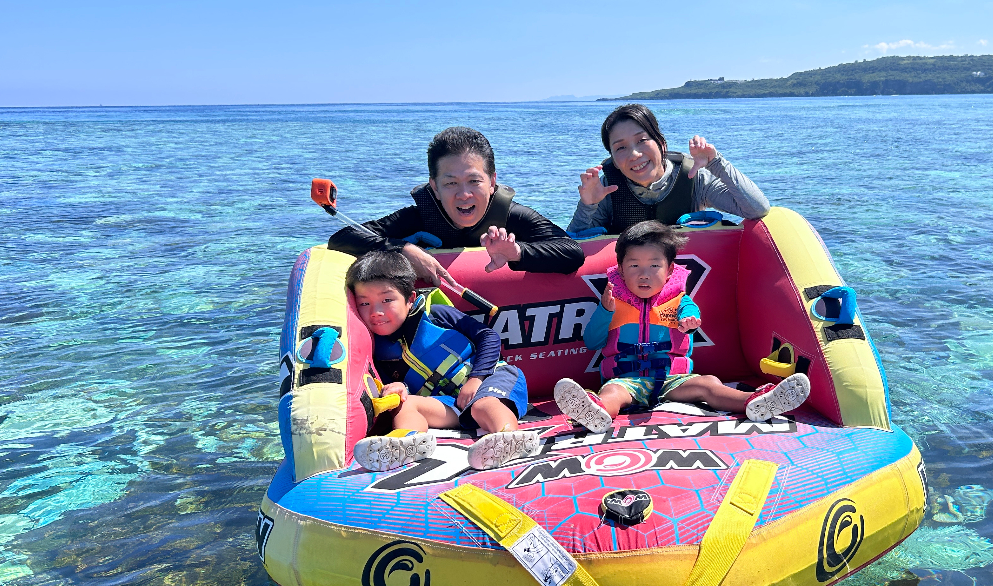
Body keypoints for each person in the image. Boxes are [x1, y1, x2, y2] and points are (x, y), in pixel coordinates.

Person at [553, 221, 810, 432]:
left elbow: (690, 314)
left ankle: (756, 401)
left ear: (669, 270)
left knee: (708, 383)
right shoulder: (611, 301)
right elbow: (592, 341)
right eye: (634, 265)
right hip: (627, 380)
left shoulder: (681, 301)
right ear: (620, 269)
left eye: (654, 265)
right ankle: (596, 413)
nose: (644, 273)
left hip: (674, 380)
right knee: (612, 392)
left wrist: (690, 321)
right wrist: (605, 312)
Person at [346, 249, 539, 471]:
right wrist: (401, 387)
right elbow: (402, 386)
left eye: (387, 299)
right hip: (451, 404)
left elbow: (489, 337)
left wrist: (476, 379)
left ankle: (510, 438)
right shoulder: (376, 349)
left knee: (482, 405)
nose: (376, 312)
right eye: (364, 303)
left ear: (410, 299)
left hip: (493, 379)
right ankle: (406, 444)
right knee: (406, 405)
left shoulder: (437, 314)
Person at [330, 126, 585, 290]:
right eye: (451, 183)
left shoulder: (510, 216)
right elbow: (342, 237)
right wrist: (404, 250)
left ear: (493, 181)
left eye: (474, 181)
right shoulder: (420, 217)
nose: (464, 194)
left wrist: (516, 252)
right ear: (435, 187)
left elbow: (573, 252)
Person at [567, 104, 770, 237]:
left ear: (662, 144)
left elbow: (756, 209)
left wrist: (716, 163)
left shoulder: (692, 177)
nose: (635, 154)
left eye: (642, 140)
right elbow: (573, 249)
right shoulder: (606, 188)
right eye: (621, 147)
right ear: (613, 158)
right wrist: (588, 205)